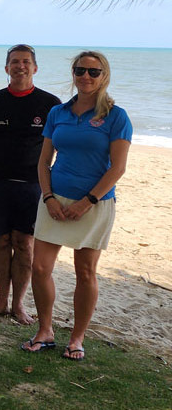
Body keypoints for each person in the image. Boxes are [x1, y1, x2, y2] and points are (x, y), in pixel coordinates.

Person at [22, 51, 132, 361]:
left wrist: (88, 201)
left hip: (94, 204)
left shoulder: (116, 116)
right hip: (54, 200)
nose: (85, 76)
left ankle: (77, 338)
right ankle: (45, 331)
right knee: (40, 267)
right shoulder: (58, 112)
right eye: (80, 70)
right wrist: (48, 198)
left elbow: (117, 169)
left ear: (104, 76)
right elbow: (44, 162)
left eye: (93, 72)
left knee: (86, 272)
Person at [0, 44, 61, 325]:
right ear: (6, 67)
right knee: (2, 240)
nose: (20, 66)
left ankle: (19, 305)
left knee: (24, 243)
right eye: (14, 62)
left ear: (35, 68)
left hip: (32, 184)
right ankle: (1, 300)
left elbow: (56, 142)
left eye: (25, 62)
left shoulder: (50, 104)